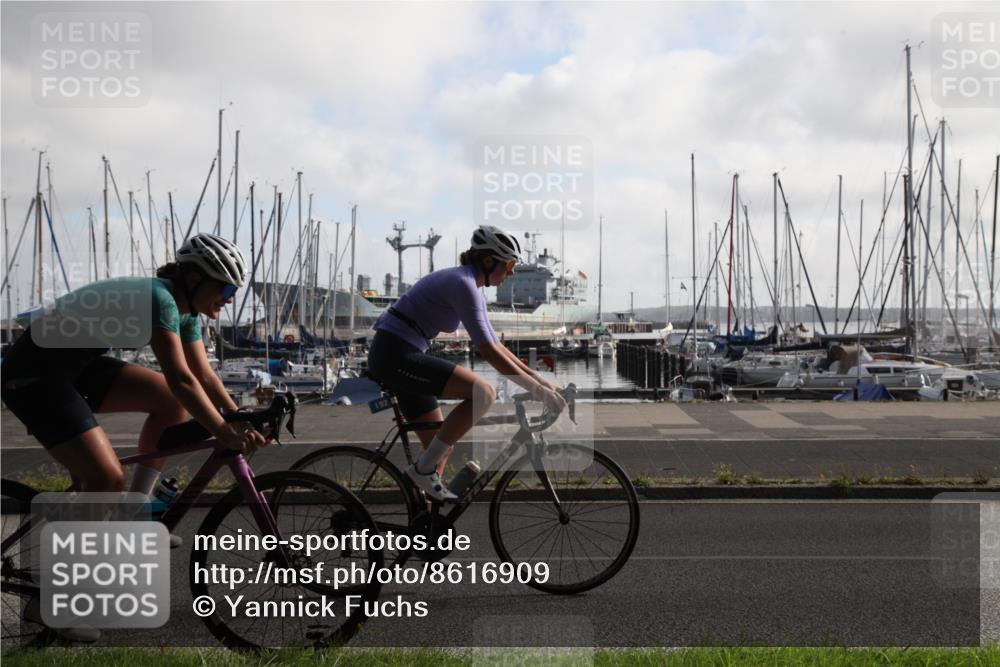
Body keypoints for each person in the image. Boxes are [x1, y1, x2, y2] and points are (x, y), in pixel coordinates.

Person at [2, 233, 266, 498]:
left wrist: (239, 418)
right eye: (227, 289)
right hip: (32, 374)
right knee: (108, 480)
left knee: (171, 402)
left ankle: (136, 507)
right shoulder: (159, 299)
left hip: (74, 367)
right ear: (195, 279)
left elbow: (204, 375)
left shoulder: (186, 313)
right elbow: (182, 380)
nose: (230, 299)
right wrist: (223, 432)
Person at [368, 225, 566, 501]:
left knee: (439, 448)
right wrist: (539, 391)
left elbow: (497, 346)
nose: (510, 273)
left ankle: (424, 522)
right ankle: (422, 472)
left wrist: (543, 383)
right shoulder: (463, 284)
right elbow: (489, 351)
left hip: (402, 352)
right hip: (394, 353)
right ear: (488, 261)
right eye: (509, 265)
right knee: (483, 392)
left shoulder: (471, 285)